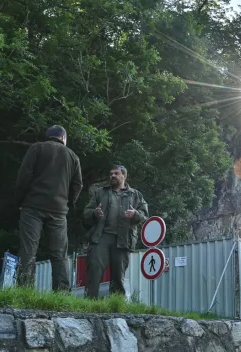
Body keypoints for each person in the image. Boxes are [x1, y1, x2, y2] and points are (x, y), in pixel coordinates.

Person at [15, 125, 83, 291]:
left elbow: (24, 176)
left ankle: (25, 290)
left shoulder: (36, 148)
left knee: (28, 250)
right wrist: (69, 203)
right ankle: (61, 293)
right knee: (59, 254)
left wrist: (20, 200)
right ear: (63, 138)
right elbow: (78, 185)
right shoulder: (73, 156)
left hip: (32, 207)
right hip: (59, 211)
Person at [83, 164, 148, 298]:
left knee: (118, 274)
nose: (112, 176)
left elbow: (144, 214)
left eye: (116, 173)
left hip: (123, 239)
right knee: (94, 270)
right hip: (101, 237)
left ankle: (116, 305)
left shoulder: (135, 195)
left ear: (124, 176)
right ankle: (89, 302)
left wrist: (135, 214)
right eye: (111, 173)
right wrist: (94, 213)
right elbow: (87, 212)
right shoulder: (100, 192)